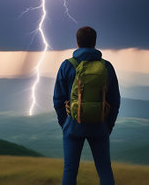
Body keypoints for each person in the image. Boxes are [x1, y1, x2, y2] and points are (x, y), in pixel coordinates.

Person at [53, 26, 121, 185]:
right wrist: (107, 125)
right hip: (99, 126)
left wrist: (66, 123)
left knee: (70, 170)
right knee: (104, 169)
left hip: (73, 126)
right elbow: (115, 100)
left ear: (77, 42)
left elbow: (58, 99)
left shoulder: (67, 65)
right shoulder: (107, 67)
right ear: (95, 42)